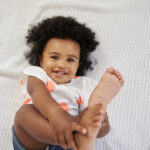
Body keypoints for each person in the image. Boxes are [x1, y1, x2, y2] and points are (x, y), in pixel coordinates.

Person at [13, 16, 124, 150]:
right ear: (41, 60)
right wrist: (54, 113)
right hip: (36, 139)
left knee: (89, 113)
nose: (62, 64)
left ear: (79, 65)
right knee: (24, 114)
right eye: (54, 57)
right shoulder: (38, 74)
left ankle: (94, 112)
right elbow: (36, 90)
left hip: (71, 138)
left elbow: (96, 127)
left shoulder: (84, 85)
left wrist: (102, 126)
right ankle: (69, 137)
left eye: (70, 60)